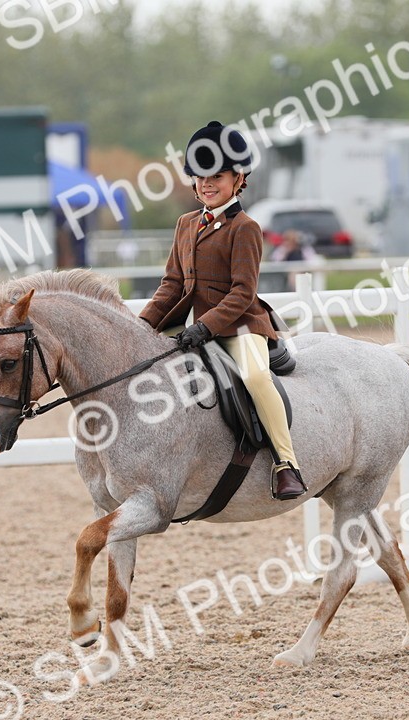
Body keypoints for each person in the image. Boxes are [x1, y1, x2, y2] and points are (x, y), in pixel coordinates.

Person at [140, 120, 306, 500]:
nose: (206, 184)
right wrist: (140, 325)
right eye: (200, 177)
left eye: (216, 176)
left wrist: (206, 327)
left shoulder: (245, 228)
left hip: (240, 327)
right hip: (190, 323)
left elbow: (243, 291)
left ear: (238, 178)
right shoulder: (185, 224)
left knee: (256, 376)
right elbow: (172, 285)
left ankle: (286, 462)